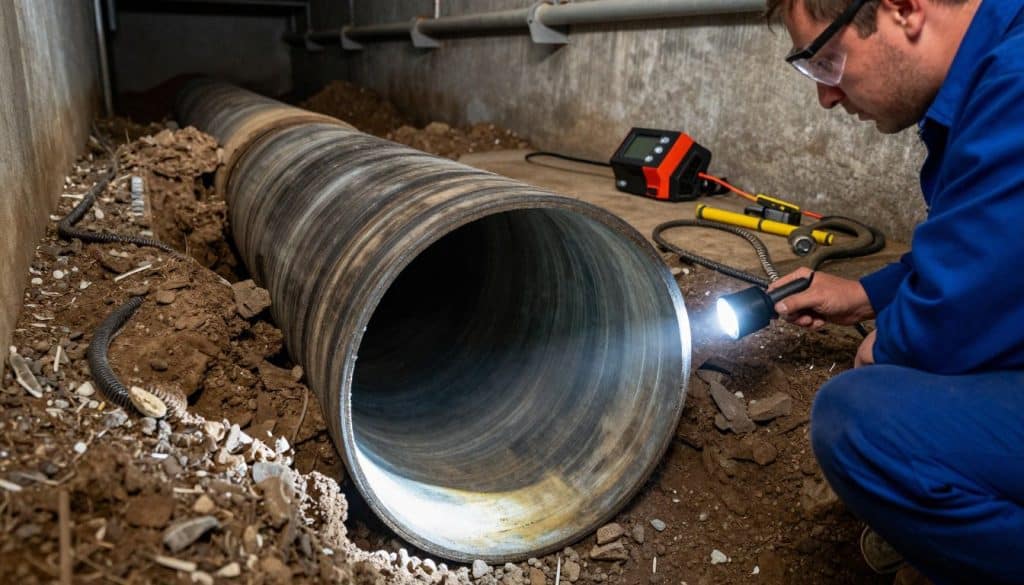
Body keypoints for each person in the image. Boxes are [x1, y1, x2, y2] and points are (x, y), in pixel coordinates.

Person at [763, 0, 1024, 583]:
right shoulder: (998, 63)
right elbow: (990, 246)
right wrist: (867, 295)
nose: (826, 96)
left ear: (903, 9)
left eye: (826, 60)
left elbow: (950, 322)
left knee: (861, 421)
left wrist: (889, 344)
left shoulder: (1016, 82)